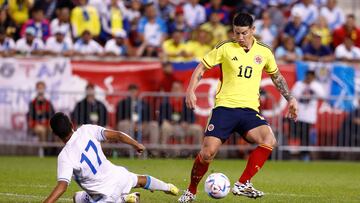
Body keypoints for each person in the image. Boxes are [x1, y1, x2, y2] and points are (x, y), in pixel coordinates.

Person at [178, 13, 298, 202]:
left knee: (269, 139)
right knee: (207, 153)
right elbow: (201, 67)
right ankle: (191, 191)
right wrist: (190, 90)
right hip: (225, 108)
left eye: (243, 33)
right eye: (236, 33)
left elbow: (276, 76)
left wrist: (290, 98)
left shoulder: (265, 52)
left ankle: (243, 183)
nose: (239, 38)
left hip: (249, 111)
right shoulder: (225, 47)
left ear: (253, 30)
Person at [43, 112, 179, 203]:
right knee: (77, 198)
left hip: (106, 194)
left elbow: (62, 187)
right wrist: (136, 144)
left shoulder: (65, 156)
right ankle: (168, 187)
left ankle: (125, 199)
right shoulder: (86, 129)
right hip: (117, 175)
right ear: (71, 124)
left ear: (55, 133)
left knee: (98, 198)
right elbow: (118, 135)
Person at [290, 70, 326, 160]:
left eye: (311, 77)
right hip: (298, 115)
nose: (309, 78)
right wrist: (304, 86)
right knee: (296, 135)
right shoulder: (299, 84)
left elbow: (322, 95)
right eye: (308, 76)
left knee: (306, 137)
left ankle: (305, 155)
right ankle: (294, 153)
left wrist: (311, 86)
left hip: (309, 116)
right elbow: (294, 94)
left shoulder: (316, 85)